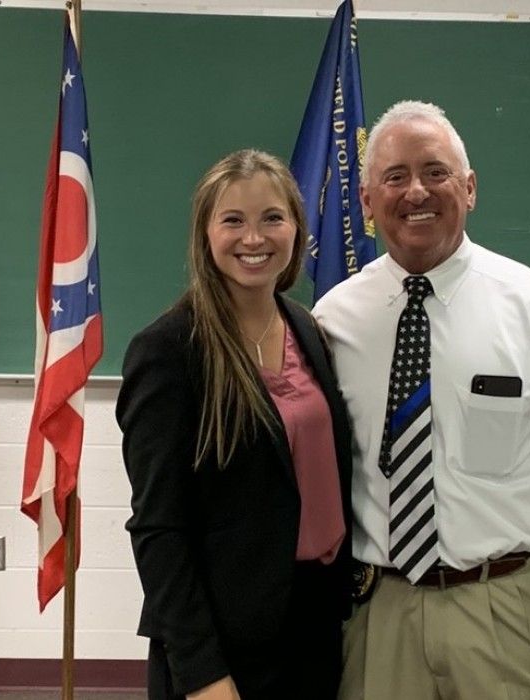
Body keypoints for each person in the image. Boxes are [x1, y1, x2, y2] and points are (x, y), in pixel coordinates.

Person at [312, 101, 530, 700]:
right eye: (394, 177)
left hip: (509, 612)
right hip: (379, 614)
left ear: (469, 189)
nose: (416, 190)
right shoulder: (331, 323)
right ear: (367, 203)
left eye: (435, 172)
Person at [116, 149, 352, 700]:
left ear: (296, 228)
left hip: (317, 621)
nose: (255, 238)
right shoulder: (169, 351)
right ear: (205, 234)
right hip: (222, 641)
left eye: (272, 217)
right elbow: (158, 529)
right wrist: (201, 672)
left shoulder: (307, 330)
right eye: (233, 221)